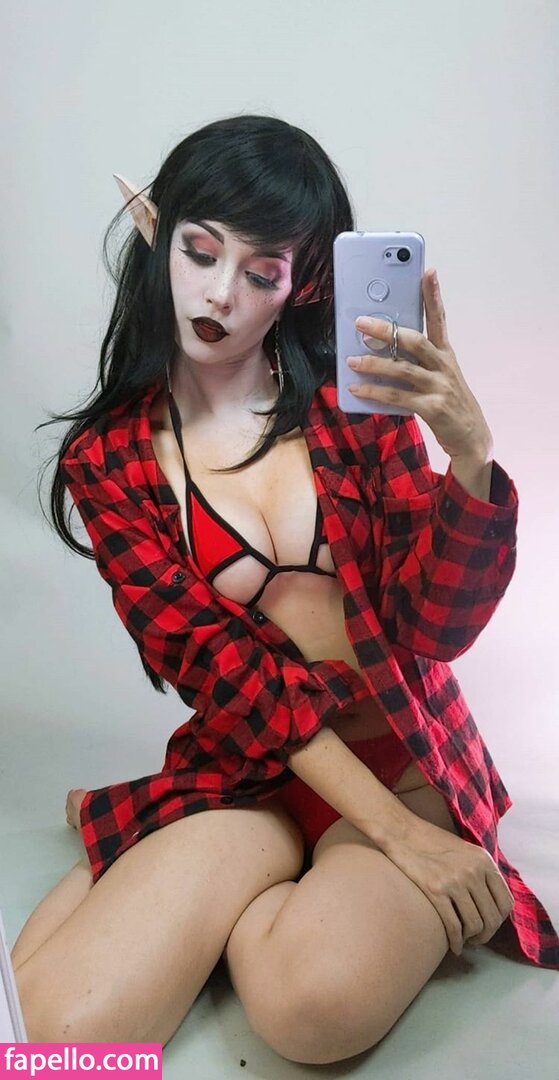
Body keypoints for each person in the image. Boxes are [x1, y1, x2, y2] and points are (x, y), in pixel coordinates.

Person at [13, 114, 559, 1062]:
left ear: (302, 283)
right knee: (61, 1041)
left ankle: (229, 888)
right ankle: (236, 869)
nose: (219, 294)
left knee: (311, 1013)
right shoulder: (109, 460)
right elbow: (220, 669)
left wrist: (469, 459)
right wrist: (392, 842)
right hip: (253, 767)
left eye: (260, 272)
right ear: (154, 232)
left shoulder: (354, 404)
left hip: (400, 759)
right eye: (199, 251)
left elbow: (433, 626)